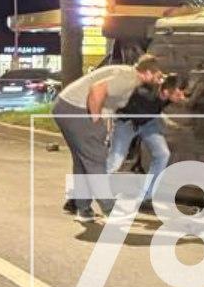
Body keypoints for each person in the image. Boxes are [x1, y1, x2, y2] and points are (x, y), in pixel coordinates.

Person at [53, 54, 164, 216]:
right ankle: (109, 208)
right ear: (147, 73)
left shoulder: (127, 75)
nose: (159, 80)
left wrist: (105, 119)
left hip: (66, 106)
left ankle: (81, 206)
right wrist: (96, 119)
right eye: (158, 76)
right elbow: (97, 89)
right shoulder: (129, 78)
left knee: (83, 161)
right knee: (97, 160)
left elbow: (109, 101)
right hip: (76, 109)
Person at [106, 73, 189, 215]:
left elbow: (156, 109)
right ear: (166, 91)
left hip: (148, 123)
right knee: (115, 160)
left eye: (183, 93)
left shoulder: (165, 92)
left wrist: (170, 123)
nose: (181, 97)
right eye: (178, 94)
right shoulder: (144, 94)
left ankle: (145, 197)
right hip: (127, 122)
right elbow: (116, 103)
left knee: (162, 154)